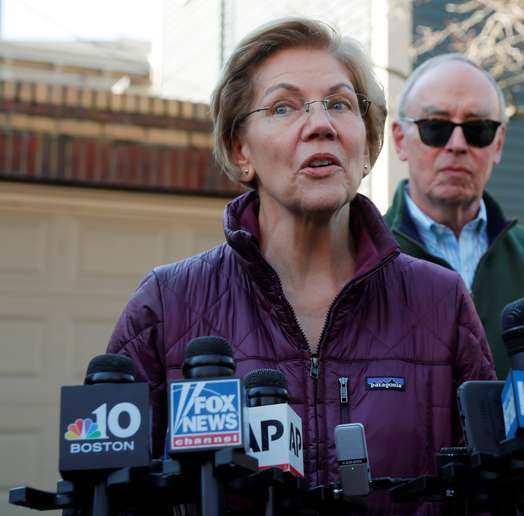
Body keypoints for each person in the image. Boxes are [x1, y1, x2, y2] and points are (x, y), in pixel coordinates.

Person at [107, 18, 495, 507]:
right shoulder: (165, 306)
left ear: (368, 143)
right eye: (284, 107)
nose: (320, 125)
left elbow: (493, 494)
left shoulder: (442, 302)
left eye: (339, 104)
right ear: (239, 149)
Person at [385, 53, 524, 377]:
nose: (456, 145)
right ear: (400, 139)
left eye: (478, 129)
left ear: (498, 143)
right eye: (435, 127)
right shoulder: (359, 258)